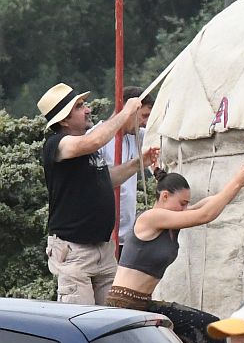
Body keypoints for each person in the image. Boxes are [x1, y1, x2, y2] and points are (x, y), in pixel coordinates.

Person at [104, 147, 244, 343]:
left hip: (144, 304)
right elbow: (206, 215)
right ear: (164, 197)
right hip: (124, 305)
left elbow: (211, 202)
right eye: (181, 203)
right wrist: (236, 182)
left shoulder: (172, 220)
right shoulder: (151, 218)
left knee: (206, 325)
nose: (184, 209)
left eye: (186, 204)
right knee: (200, 327)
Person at [36, 83, 158, 305]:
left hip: (103, 249)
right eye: (79, 106)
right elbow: (94, 141)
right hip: (75, 252)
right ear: (64, 120)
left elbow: (106, 180)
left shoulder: (84, 151)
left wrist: (138, 163)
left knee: (111, 320)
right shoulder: (57, 144)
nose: (88, 110)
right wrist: (126, 113)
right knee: (81, 322)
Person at [98, 87, 153, 250]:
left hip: (127, 236)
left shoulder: (136, 136)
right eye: (144, 116)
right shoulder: (97, 138)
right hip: (104, 237)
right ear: (127, 110)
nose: (145, 122)